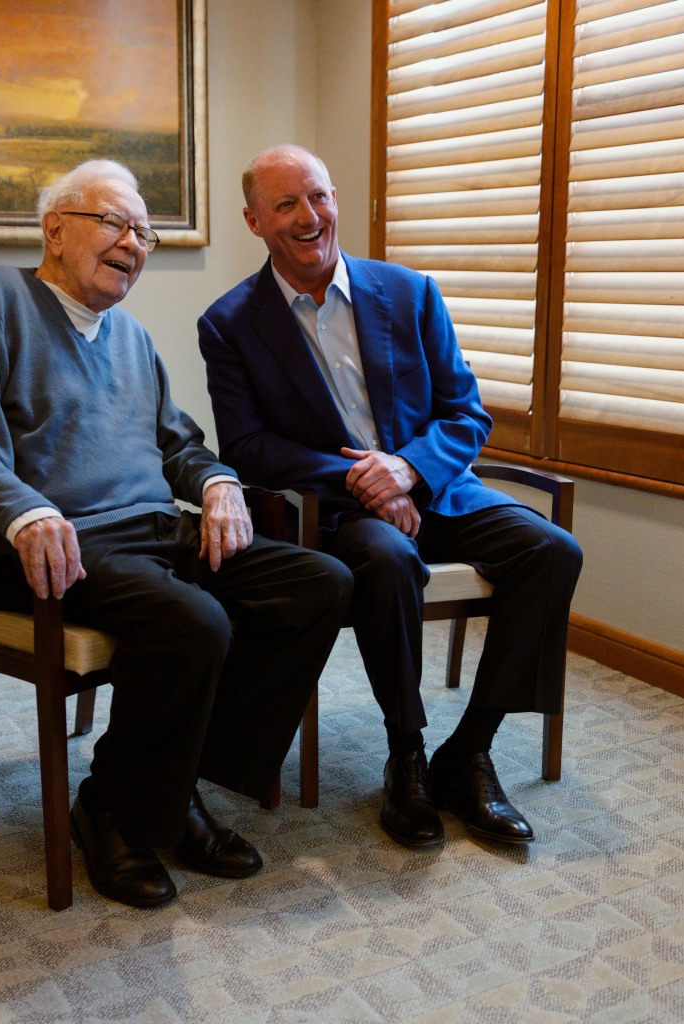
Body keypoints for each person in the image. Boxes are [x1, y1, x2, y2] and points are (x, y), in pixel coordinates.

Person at [0, 159, 353, 908]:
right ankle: (110, 807)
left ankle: (175, 780)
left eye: (144, 232)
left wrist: (218, 485)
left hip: (150, 535)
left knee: (320, 584)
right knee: (196, 623)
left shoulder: (129, 336)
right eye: (114, 223)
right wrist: (23, 511)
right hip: (46, 549)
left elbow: (178, 445)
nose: (133, 243)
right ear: (55, 230)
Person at [197, 145, 582, 849]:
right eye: (286, 205)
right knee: (386, 560)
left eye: (318, 197)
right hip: (340, 513)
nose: (310, 217)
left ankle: (467, 752)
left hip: (437, 491)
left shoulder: (409, 292)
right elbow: (248, 447)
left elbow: (467, 413)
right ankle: (405, 753)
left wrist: (406, 468)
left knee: (552, 551)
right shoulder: (229, 324)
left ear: (335, 198)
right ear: (255, 221)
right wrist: (358, 476)